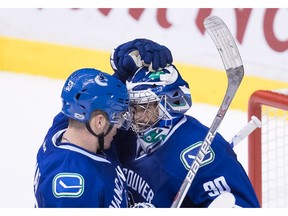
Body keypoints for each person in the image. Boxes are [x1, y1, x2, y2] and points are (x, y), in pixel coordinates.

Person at [109, 38, 260, 207]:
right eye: (132, 106)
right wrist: (118, 75)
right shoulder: (122, 135)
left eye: (143, 107)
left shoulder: (204, 152)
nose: (134, 116)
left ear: (169, 103)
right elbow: (79, 128)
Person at [33, 68, 131, 207]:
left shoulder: (61, 130)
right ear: (99, 122)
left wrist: (121, 74)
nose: (119, 126)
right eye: (117, 118)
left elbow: (84, 99)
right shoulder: (72, 184)